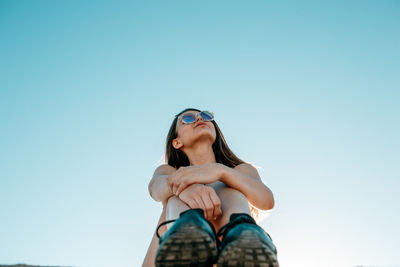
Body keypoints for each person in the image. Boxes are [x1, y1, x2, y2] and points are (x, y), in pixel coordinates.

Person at [143, 108, 279, 267]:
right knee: (173, 197)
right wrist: (185, 189)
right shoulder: (170, 171)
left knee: (229, 188)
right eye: (187, 118)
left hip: (230, 252)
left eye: (206, 116)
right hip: (173, 250)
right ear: (177, 142)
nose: (199, 119)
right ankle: (187, 235)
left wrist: (221, 172)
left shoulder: (241, 170)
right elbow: (155, 188)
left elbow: (267, 200)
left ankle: (241, 235)